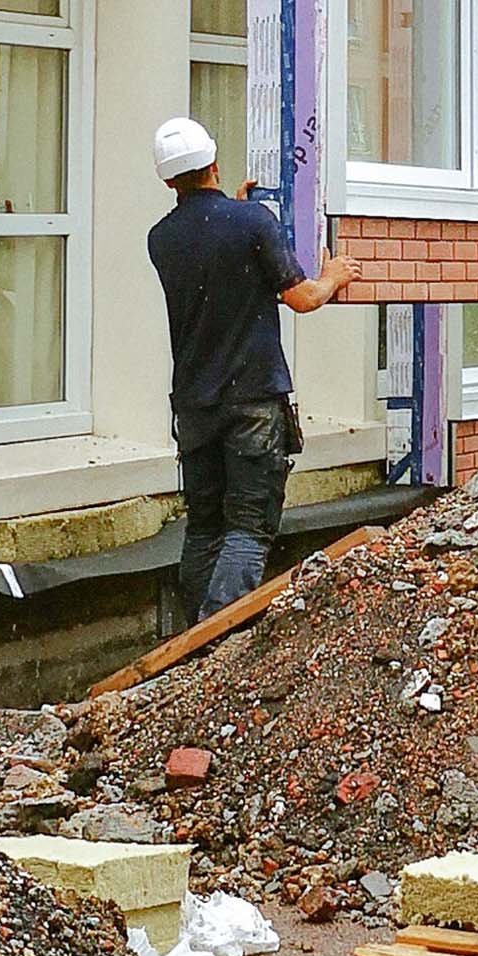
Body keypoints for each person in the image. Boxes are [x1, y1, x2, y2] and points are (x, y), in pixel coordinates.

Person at [146, 116, 357, 625]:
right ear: (214, 163)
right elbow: (302, 298)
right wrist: (333, 277)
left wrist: (244, 214)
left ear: (169, 180)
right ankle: (213, 645)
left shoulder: (161, 238)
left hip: (195, 407)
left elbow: (214, 247)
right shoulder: (253, 222)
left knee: (203, 528)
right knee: (247, 528)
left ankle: (187, 645)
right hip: (254, 404)